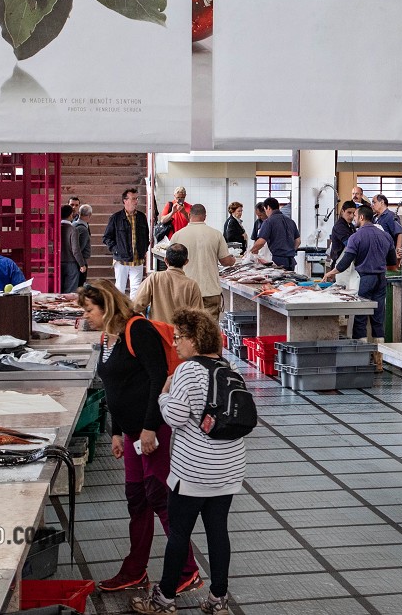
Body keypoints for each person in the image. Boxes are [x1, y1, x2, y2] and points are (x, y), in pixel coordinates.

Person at [79, 280, 201, 595]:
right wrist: (116, 432)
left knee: (158, 495)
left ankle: (187, 570)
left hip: (152, 428)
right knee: (137, 498)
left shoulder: (138, 329)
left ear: (106, 306)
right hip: (131, 431)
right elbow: (116, 388)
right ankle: (135, 570)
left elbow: (157, 378)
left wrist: (149, 427)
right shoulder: (107, 337)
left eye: (90, 310)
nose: (86, 316)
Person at [131, 310, 245, 615]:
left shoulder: (188, 371)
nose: (174, 343)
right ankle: (218, 599)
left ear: (194, 340)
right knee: (218, 531)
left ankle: (165, 599)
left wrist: (164, 395)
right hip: (228, 467)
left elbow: (175, 417)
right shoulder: (229, 366)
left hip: (194, 471)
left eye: (179, 337)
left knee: (179, 534)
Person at [323, 205, 397, 366]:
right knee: (378, 319)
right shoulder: (385, 236)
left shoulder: (356, 237)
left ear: (362, 217)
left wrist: (330, 273)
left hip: (365, 280)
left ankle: (362, 360)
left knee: (360, 318)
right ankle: (379, 360)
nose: (354, 219)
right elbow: (392, 262)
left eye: (355, 216)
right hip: (381, 279)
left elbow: (345, 262)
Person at [169, 207, 235, 320]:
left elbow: (171, 262)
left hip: (185, 291)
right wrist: (233, 260)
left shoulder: (178, 235)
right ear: (205, 217)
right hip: (210, 291)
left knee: (186, 326)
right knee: (209, 328)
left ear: (189, 215)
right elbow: (225, 261)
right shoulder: (216, 234)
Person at [133, 244, 204, 336]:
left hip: (157, 334)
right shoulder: (192, 285)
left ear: (165, 260)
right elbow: (198, 317)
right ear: (186, 262)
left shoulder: (154, 278)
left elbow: (136, 305)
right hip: (179, 337)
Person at [104, 187, 151, 296]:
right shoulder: (116, 218)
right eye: (133, 198)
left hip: (138, 259)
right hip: (121, 259)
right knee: (120, 288)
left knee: (136, 289)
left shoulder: (141, 217)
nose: (136, 201)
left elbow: (146, 235)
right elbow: (107, 237)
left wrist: (144, 249)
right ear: (125, 201)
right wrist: (117, 250)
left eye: (137, 198)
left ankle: (133, 307)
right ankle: (119, 307)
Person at [251, 197, 300, 272]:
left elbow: (261, 242)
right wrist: (289, 251)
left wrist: (250, 252)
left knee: (277, 279)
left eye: (265, 209)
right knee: (288, 279)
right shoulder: (291, 221)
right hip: (290, 261)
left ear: (268, 208)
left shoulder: (269, 222)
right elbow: (298, 241)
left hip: (277, 262)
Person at [62, 204, 88, 293]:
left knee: (59, 291)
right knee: (70, 291)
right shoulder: (73, 229)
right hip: (71, 263)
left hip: (58, 263)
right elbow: (76, 250)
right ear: (70, 215)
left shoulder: (57, 228)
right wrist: (82, 264)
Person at [75, 205, 94, 287]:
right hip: (80, 261)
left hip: (75, 261)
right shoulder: (83, 229)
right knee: (80, 285)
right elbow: (79, 248)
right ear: (90, 215)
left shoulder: (74, 224)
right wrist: (82, 264)